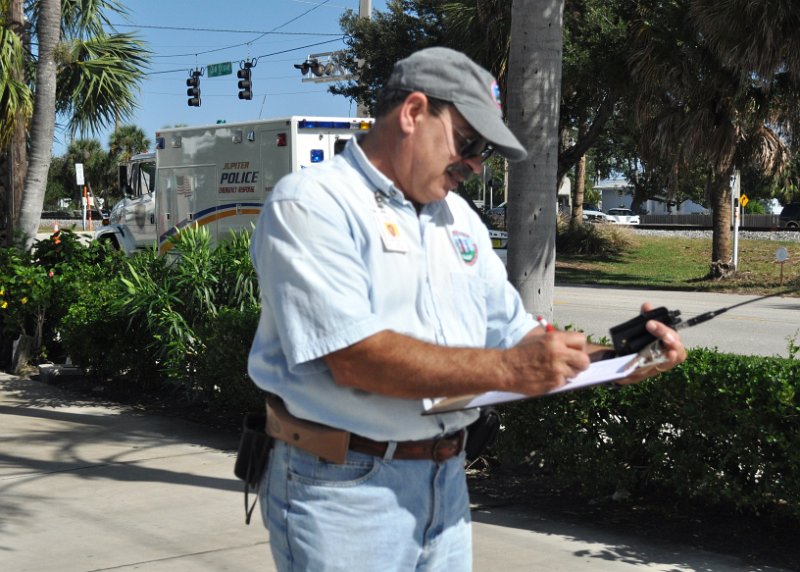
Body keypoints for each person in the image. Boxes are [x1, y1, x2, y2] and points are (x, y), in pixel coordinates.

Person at [247, 46, 687, 572]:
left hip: (447, 480)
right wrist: (509, 369)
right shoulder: (313, 203)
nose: (476, 164)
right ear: (412, 113)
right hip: (344, 490)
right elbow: (354, 357)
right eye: (469, 141)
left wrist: (615, 360)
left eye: (484, 151)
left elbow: (514, 332)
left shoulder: (458, 218)